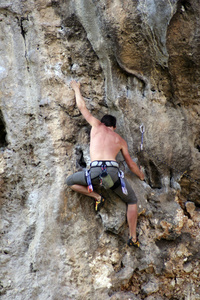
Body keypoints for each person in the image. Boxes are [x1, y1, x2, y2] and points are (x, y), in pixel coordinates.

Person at [66, 80, 145, 247]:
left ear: (103, 123)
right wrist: (141, 176)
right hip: (112, 175)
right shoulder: (120, 139)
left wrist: (76, 89)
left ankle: (97, 196)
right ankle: (133, 237)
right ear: (114, 127)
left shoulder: (96, 126)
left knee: (70, 182)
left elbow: (82, 108)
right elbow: (131, 164)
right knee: (131, 200)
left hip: (94, 174)